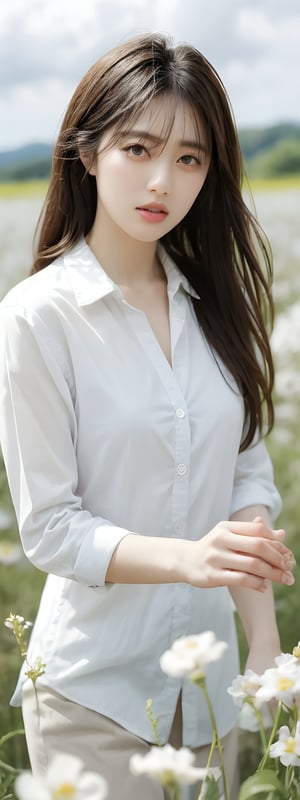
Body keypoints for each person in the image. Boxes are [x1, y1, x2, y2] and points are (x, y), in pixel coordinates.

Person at [0, 32, 295, 800]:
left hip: (217, 696)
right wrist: (186, 557)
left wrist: (263, 639)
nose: (163, 179)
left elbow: (247, 473)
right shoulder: (38, 317)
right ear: (89, 153)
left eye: (191, 158)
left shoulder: (217, 307)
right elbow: (50, 527)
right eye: (138, 148)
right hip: (92, 697)